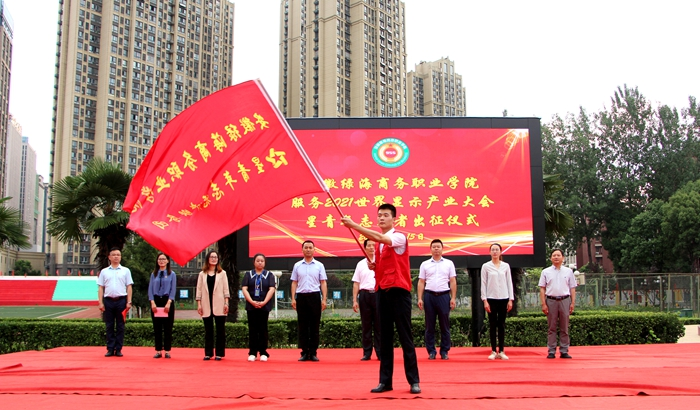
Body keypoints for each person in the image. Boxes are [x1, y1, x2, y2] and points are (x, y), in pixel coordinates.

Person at [341, 204, 421, 395]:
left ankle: (414, 381)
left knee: (405, 337)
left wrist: (354, 225)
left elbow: (380, 237)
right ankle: (385, 381)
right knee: (384, 338)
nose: (382, 218)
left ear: (394, 219)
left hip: (399, 293)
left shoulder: (399, 237)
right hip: (381, 292)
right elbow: (383, 263)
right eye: (379, 215)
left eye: (386, 215)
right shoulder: (378, 246)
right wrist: (374, 265)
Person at [417, 239, 457, 360]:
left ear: (442, 248)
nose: (436, 249)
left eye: (438, 247)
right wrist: (420, 298)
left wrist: (453, 298)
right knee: (430, 325)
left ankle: (444, 351)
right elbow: (421, 282)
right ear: (430, 249)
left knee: (444, 325)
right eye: (433, 247)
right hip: (429, 296)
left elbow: (453, 281)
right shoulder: (425, 264)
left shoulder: (449, 263)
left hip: (444, 296)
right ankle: (431, 351)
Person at [291, 240, 328, 362]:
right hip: (301, 297)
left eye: (310, 247)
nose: (308, 249)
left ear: (314, 249)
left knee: (314, 326)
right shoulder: (297, 265)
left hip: (314, 297)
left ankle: (313, 352)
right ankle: (304, 352)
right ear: (302, 250)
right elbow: (294, 282)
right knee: (302, 326)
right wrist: (293, 298)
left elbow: (323, 282)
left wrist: (324, 299)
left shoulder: (319, 265)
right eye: (305, 247)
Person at [538, 248, 577, 359]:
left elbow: (572, 288)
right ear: (550, 258)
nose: (556, 257)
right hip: (551, 301)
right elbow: (542, 289)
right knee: (551, 327)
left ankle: (564, 350)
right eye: (554, 255)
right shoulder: (545, 272)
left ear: (563, 258)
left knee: (564, 327)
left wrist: (572, 303)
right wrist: (543, 304)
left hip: (565, 300)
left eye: (558, 255)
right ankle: (551, 351)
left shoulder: (568, 271)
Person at [97, 247, 133, 357]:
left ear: (120, 257)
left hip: (121, 301)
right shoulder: (104, 271)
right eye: (114, 255)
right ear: (109, 257)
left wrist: (129, 302)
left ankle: (118, 349)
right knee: (109, 325)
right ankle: (110, 348)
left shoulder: (125, 271)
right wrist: (100, 302)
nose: (116, 256)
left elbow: (129, 286)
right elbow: (101, 288)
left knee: (121, 326)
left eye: (118, 254)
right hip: (108, 301)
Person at [480, 243, 514, 360]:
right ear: (490, 252)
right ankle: (494, 350)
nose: (495, 252)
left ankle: (502, 351)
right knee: (493, 324)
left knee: (502, 325)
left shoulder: (506, 266)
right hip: (491, 298)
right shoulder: (486, 266)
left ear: (500, 252)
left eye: (497, 250)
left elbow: (509, 282)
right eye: (493, 250)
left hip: (504, 298)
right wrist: (484, 300)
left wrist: (510, 299)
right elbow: (483, 284)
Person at [241, 253, 276, 362]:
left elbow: (271, 289)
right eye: (258, 260)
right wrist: (251, 301)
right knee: (252, 329)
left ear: (264, 263)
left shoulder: (269, 275)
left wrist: (264, 301)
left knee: (263, 328)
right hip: (251, 306)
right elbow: (244, 288)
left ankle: (263, 352)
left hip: (264, 306)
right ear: (254, 262)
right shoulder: (248, 274)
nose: (260, 262)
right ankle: (252, 352)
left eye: (262, 261)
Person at [196, 250, 230, 361]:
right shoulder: (202, 274)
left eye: (215, 257)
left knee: (220, 330)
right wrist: (199, 305)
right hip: (206, 305)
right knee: (208, 330)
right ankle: (208, 353)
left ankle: (219, 353)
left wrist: (226, 303)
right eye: (211, 257)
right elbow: (199, 291)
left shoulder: (222, 273)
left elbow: (226, 290)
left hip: (220, 304)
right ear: (207, 259)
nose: (214, 259)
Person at [352, 239, 381, 361]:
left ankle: (380, 352)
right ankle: (367, 352)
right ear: (365, 248)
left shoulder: (381, 261)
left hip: (378, 294)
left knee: (380, 325)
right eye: (369, 245)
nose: (371, 247)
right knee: (366, 325)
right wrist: (354, 300)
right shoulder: (360, 264)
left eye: (373, 245)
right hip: (364, 295)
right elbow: (356, 283)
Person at [148, 253, 176, 359]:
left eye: (164, 259)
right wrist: (152, 302)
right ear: (157, 261)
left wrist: (169, 303)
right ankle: (158, 350)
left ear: (168, 261)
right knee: (157, 327)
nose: (162, 261)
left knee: (168, 327)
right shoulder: (154, 274)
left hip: (167, 301)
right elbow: (150, 289)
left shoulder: (172, 274)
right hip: (156, 301)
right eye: (160, 259)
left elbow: (173, 289)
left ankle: (167, 350)